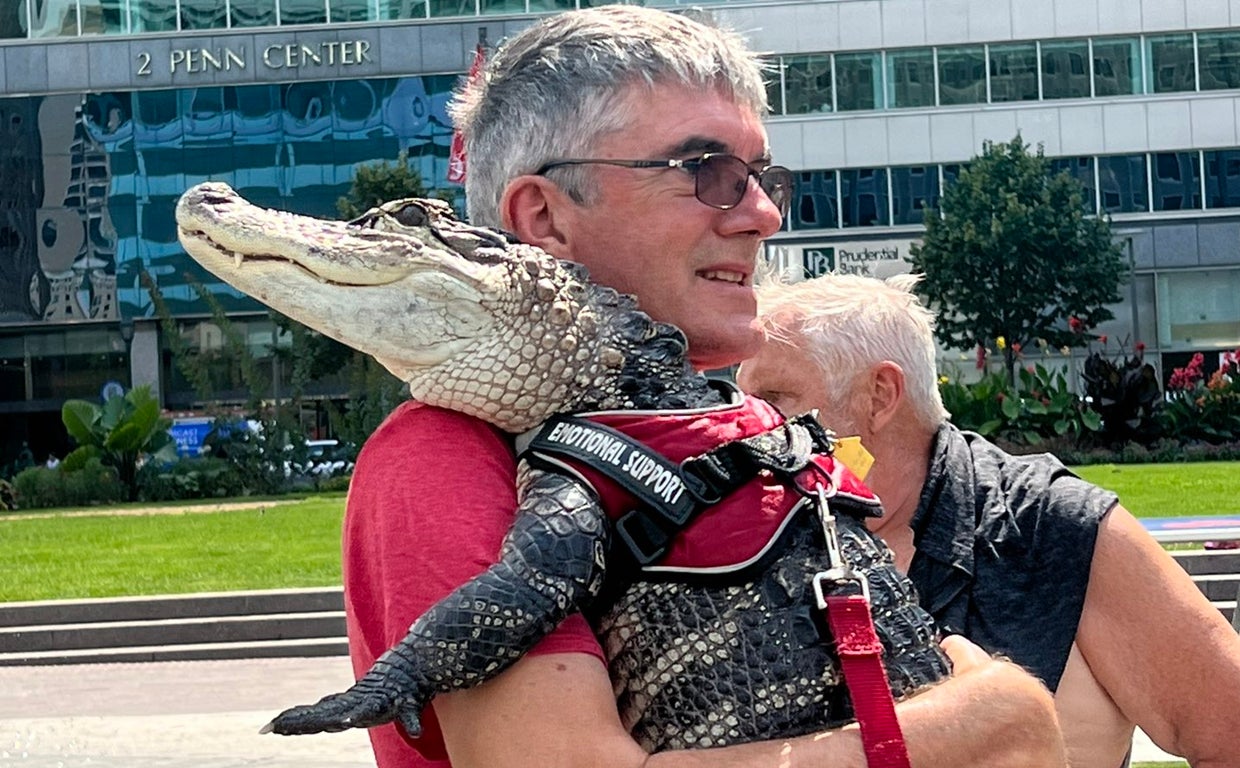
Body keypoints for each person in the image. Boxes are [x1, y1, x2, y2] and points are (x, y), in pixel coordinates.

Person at [343, 8, 1065, 768]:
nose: (764, 214)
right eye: (705, 173)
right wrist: (996, 715)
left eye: (762, 178)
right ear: (544, 217)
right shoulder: (446, 452)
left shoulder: (737, 427)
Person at [737, 273, 1240, 768]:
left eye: (773, 402)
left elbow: (1229, 736)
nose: (741, 429)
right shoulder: (744, 542)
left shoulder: (1055, 526)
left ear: (879, 396)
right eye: (740, 402)